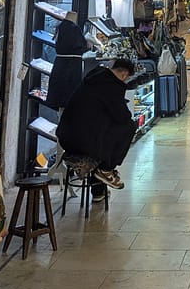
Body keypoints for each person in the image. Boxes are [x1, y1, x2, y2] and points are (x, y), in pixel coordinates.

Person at [56, 57, 137, 192]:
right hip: (81, 140)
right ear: (124, 74)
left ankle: (98, 193)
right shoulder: (112, 85)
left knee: (104, 133)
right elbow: (122, 117)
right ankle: (106, 170)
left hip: (66, 135)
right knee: (129, 127)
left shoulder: (96, 76)